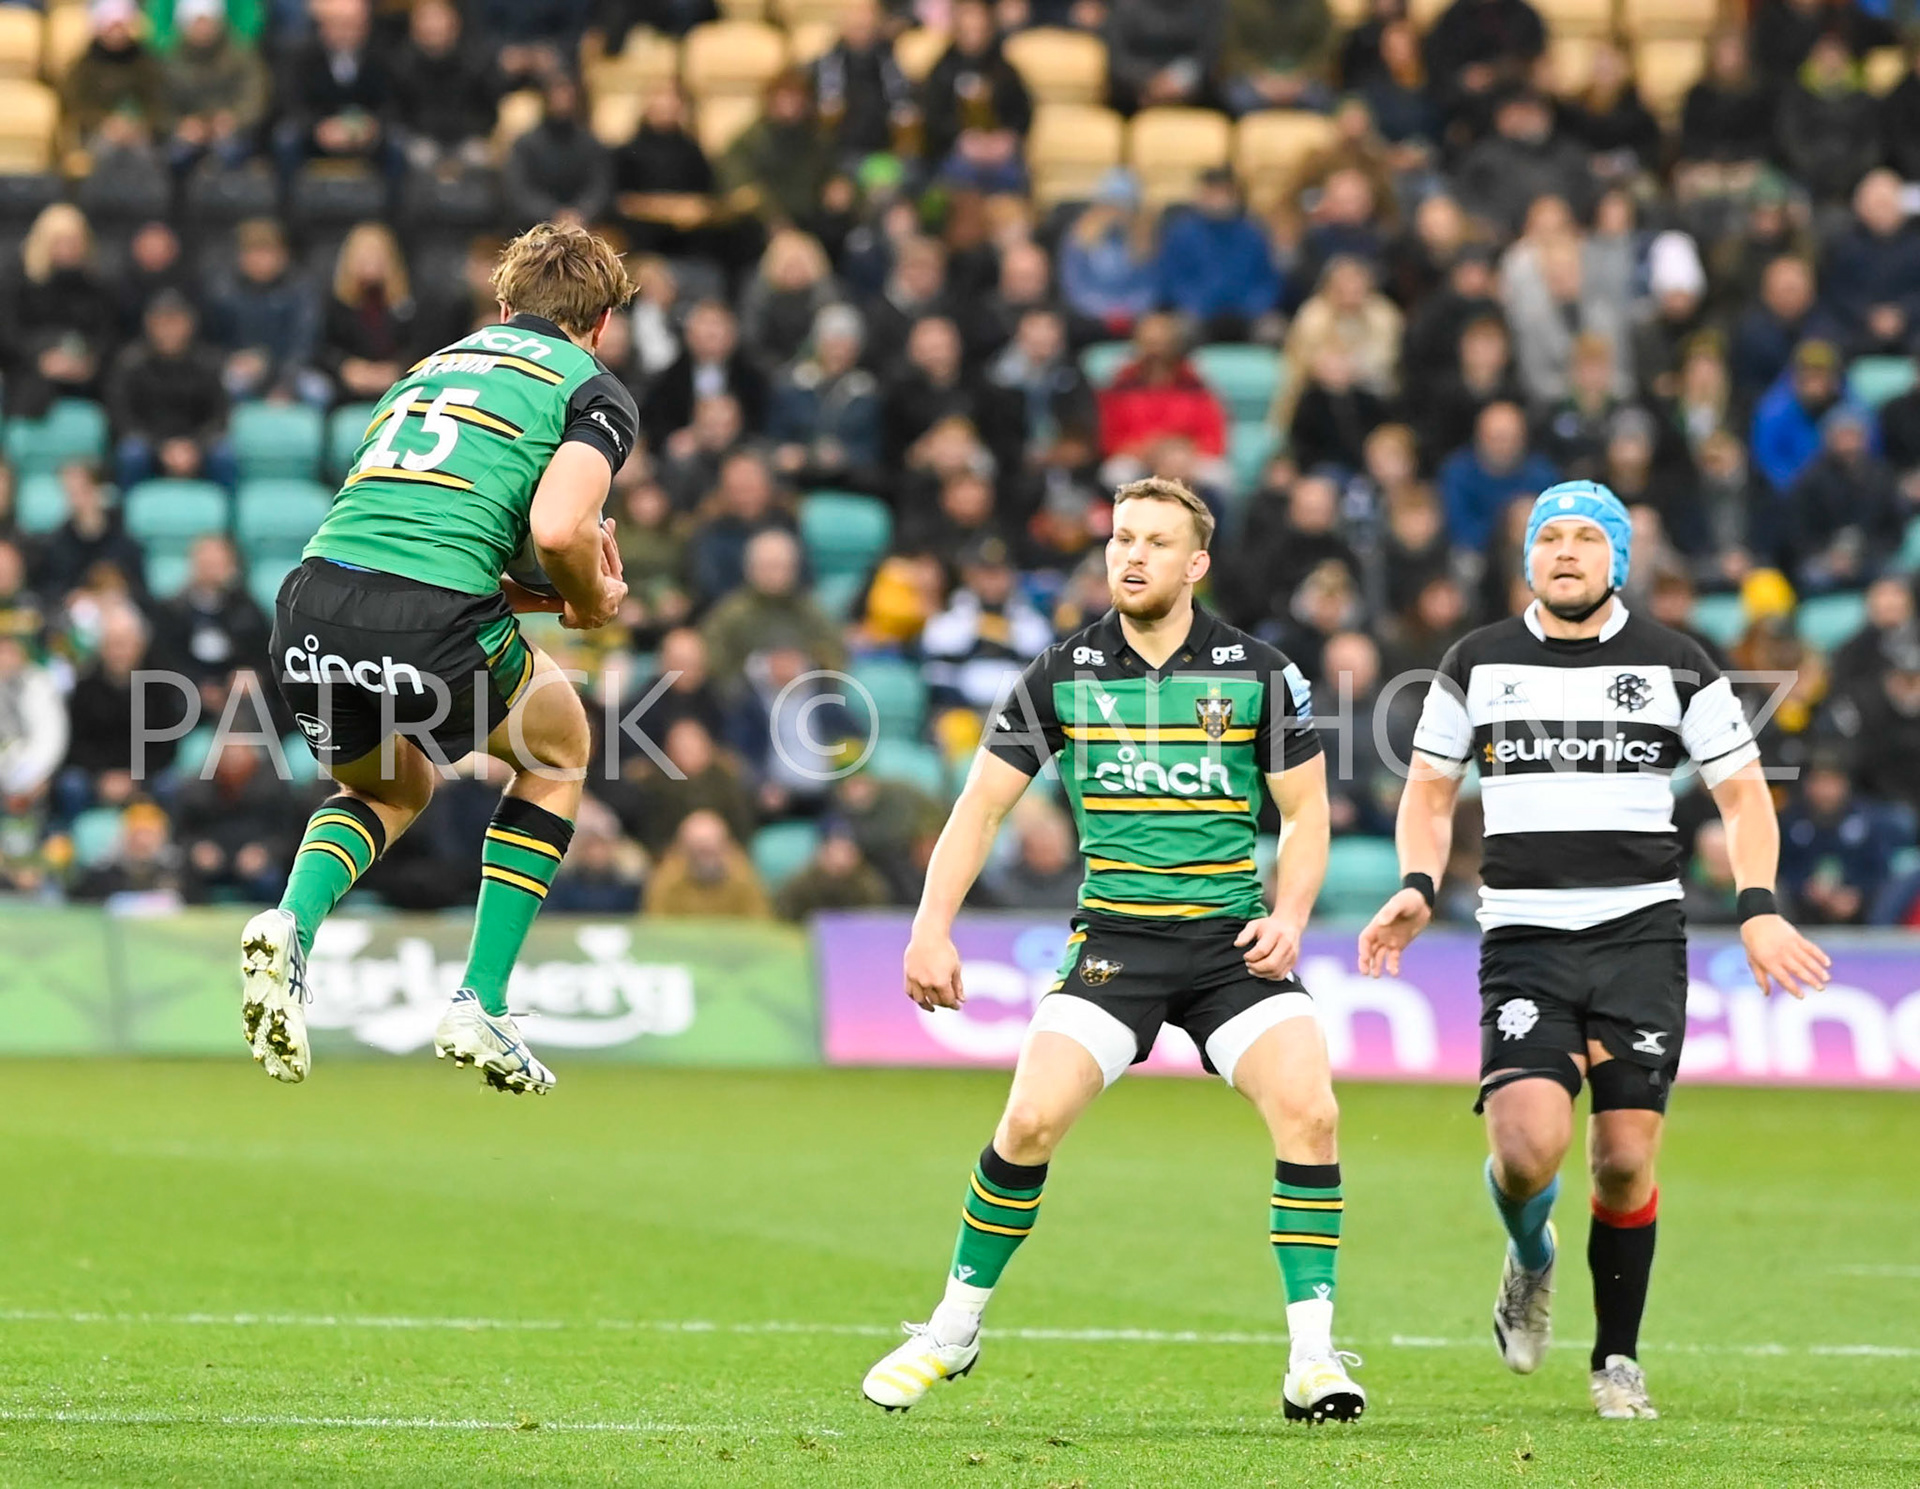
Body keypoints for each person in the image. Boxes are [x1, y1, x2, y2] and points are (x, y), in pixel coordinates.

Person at [860, 477, 1365, 1424]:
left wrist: (1291, 914)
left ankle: (1311, 1358)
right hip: (1117, 942)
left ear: (1196, 563)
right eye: (1121, 538)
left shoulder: (1258, 672)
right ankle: (953, 1327)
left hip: (1229, 947)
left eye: (1155, 542)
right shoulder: (1061, 672)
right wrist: (931, 925)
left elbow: (1306, 816)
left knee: (1313, 1111)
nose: (1132, 555)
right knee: (1029, 1123)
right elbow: (979, 809)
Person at [1358, 481, 1830, 1420]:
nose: (1566, 551)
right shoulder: (1476, 662)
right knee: (1530, 1150)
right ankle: (1530, 1258)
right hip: (1525, 933)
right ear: (1528, 557)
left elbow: (1743, 796)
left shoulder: (1676, 663)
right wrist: (1416, 882)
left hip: (1641, 935)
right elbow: (1426, 791)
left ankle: (1617, 1357)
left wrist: (1760, 908)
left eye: (1586, 538)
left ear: (1618, 557)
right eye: (1550, 538)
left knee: (1621, 1159)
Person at [241, 222, 640, 1097]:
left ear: (502, 307)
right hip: (431, 616)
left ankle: (291, 925)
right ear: (602, 322)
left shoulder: (427, 369)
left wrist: (547, 592)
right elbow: (559, 528)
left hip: (312, 602)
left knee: (392, 785)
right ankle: (482, 998)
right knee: (560, 750)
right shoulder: (591, 390)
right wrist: (589, 598)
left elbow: (421, 528)